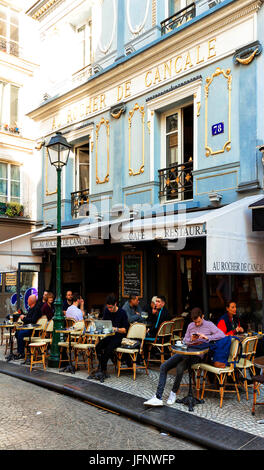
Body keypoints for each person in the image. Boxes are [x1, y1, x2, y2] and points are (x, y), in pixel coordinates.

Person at [144, 307, 225, 406]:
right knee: (163, 366)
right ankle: (158, 397)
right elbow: (184, 340)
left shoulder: (209, 325)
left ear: (202, 317)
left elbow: (222, 335)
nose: (197, 324)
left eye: (198, 322)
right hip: (186, 351)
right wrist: (191, 339)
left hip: (197, 355)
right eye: (195, 322)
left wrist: (207, 337)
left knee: (180, 367)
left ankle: (173, 393)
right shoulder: (191, 325)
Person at [95, 293, 129, 379]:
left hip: (119, 337)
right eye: (108, 307)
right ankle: (101, 367)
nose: (109, 309)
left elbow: (125, 330)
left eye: (111, 307)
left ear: (115, 304)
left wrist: (116, 329)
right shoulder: (106, 311)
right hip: (109, 335)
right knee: (98, 347)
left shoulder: (122, 313)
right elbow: (104, 323)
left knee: (107, 350)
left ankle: (103, 370)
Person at [14, 294, 42, 360]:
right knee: (17, 332)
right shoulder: (31, 308)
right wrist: (24, 317)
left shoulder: (36, 309)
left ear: (31, 301)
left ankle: (22, 353)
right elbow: (29, 319)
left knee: (20, 333)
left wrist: (23, 318)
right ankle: (21, 350)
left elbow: (33, 320)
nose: (27, 301)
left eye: (28, 300)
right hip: (29, 328)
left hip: (34, 330)